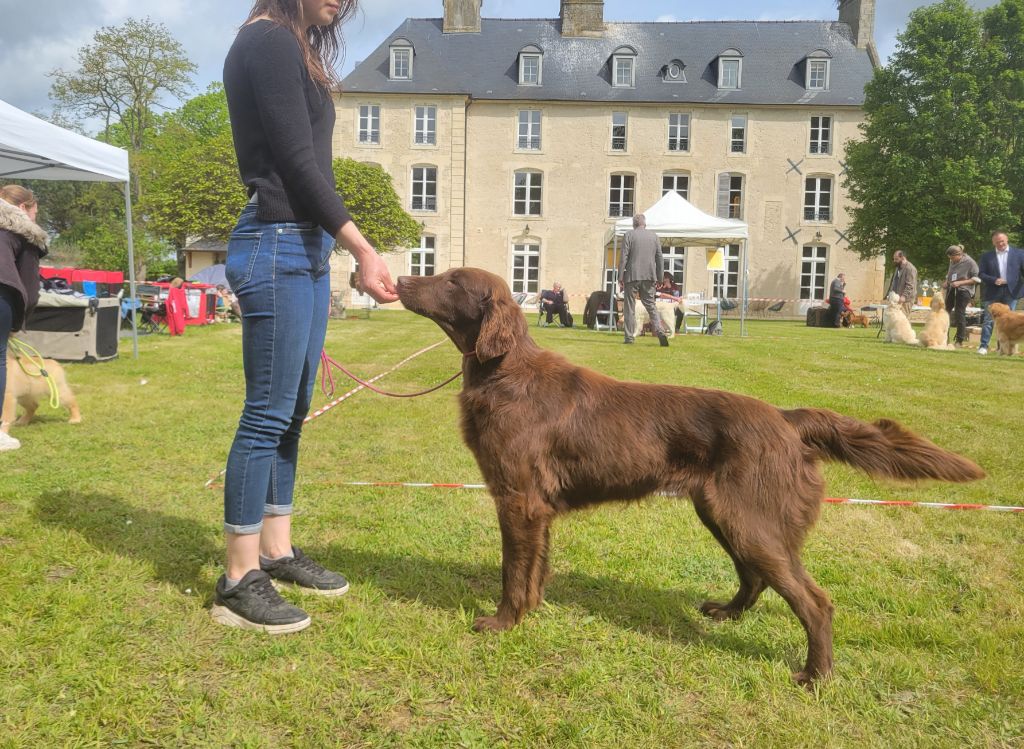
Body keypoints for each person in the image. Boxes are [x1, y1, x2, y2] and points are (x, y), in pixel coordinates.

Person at [213, 0, 398, 634]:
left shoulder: (296, 46)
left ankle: (277, 550)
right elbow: (296, 161)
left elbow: (311, 167)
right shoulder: (267, 41)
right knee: (265, 411)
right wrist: (363, 247)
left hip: (306, 245)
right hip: (276, 242)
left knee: (292, 410)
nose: (342, 2)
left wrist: (335, 243)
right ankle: (238, 577)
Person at [0, 185, 48, 453]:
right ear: (22, 209)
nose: (35, 218)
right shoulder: (25, 232)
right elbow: (30, 290)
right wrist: (17, 324)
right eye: (35, 212)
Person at [619, 214, 669, 346]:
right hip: (649, 276)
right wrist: (660, 278)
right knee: (651, 305)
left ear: (634, 224)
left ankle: (629, 337)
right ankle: (660, 330)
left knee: (629, 307)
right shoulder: (654, 236)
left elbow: (624, 257)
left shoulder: (629, 235)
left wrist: (620, 276)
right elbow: (659, 258)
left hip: (632, 275)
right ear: (645, 224)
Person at [976, 230, 1024, 356]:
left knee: (1010, 322)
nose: (1000, 244)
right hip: (993, 290)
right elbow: (981, 274)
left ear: (1007, 240)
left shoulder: (1020, 254)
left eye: (1002, 241)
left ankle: (1002, 349)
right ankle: (983, 346)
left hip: (1011, 291)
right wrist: (994, 280)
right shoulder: (987, 256)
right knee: (988, 320)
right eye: (997, 242)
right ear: (993, 243)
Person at [942, 244, 979, 349]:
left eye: (953, 258)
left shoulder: (970, 263)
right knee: (946, 312)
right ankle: (944, 338)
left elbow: (976, 279)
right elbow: (950, 274)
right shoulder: (952, 261)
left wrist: (960, 283)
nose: (951, 260)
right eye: (950, 258)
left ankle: (959, 340)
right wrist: (946, 282)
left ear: (959, 254)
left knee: (959, 313)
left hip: (964, 290)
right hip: (951, 288)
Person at [886, 251, 918, 315]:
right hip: (897, 300)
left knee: (902, 321)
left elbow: (910, 285)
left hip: (906, 300)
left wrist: (904, 296)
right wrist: (890, 294)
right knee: (895, 321)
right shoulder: (898, 268)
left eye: (896, 259)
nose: (894, 261)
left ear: (902, 258)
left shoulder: (910, 268)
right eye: (894, 259)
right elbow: (894, 283)